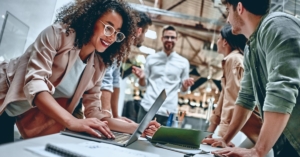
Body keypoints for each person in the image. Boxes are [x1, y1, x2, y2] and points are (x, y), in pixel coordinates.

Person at [0, 0, 159, 145]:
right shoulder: (56, 35)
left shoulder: (97, 65)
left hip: (15, 114)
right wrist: (71, 121)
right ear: (91, 20)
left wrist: (138, 128)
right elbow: (35, 84)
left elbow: (95, 114)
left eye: (117, 33)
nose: (111, 37)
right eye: (108, 27)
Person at [202, 0, 300, 156]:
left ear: (239, 8)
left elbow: (282, 91)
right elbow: (246, 97)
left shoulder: (278, 26)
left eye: (228, 10)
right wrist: (225, 139)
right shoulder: (250, 48)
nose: (227, 20)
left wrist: (258, 151)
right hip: (288, 139)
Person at [206, 24, 262, 145]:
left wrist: (224, 138)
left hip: (255, 129)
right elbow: (223, 100)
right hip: (251, 129)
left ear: (225, 42)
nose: (217, 41)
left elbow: (233, 100)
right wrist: (208, 133)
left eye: (218, 38)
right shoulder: (233, 59)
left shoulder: (234, 59)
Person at [132, 25, 194, 126]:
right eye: (166, 37)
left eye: (172, 37)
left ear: (177, 39)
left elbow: (183, 91)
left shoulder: (183, 62)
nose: (169, 40)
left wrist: (185, 86)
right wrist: (142, 78)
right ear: (162, 38)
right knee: (139, 138)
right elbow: (143, 85)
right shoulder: (151, 58)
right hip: (148, 107)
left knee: (164, 141)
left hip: (169, 110)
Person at [100, 11, 152, 123]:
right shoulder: (114, 44)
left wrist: (115, 116)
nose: (144, 37)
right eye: (145, 32)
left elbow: (115, 81)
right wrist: (106, 117)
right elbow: (106, 81)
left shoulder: (121, 49)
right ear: (139, 31)